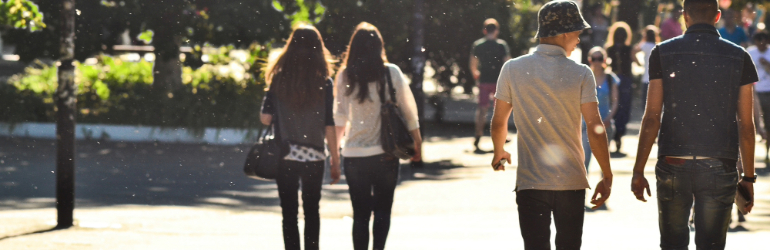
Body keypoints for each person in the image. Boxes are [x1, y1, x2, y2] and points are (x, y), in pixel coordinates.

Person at [631, 1, 758, 249]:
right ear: (718, 16)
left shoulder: (662, 53)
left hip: (673, 160)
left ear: (685, 16)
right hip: (719, 161)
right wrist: (748, 178)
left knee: (672, 243)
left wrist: (638, 170)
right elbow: (746, 125)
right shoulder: (739, 57)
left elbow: (651, 117)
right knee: (711, 244)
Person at [490, 1, 613, 249]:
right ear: (565, 33)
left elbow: (498, 121)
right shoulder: (581, 73)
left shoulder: (512, 68)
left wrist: (498, 151)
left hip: (530, 182)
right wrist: (606, 174)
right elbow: (595, 127)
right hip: (572, 182)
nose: (579, 38)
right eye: (577, 32)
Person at [334, 22, 422, 250]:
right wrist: (418, 144)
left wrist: (335, 155)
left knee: (360, 214)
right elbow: (409, 112)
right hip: (386, 153)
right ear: (379, 46)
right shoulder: (391, 73)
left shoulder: (345, 76)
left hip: (353, 155)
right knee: (383, 210)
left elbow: (339, 119)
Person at [260, 25, 341, 250]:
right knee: (312, 211)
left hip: (285, 155)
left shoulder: (278, 79)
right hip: (314, 156)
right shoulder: (324, 81)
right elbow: (328, 124)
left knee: (289, 213)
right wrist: (335, 159)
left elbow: (265, 118)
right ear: (318, 49)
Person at [470, 18, 511, 152]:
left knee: (482, 110)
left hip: (484, 81)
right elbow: (507, 62)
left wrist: (476, 74)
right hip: (498, 81)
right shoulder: (501, 45)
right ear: (497, 31)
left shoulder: (478, 45)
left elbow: (473, 63)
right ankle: (501, 136)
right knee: (499, 110)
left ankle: (478, 135)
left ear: (484, 30)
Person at [582, 47, 619, 172]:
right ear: (589, 60)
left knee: (604, 163)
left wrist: (609, 118)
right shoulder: (584, 77)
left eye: (600, 59)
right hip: (587, 125)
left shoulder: (610, 78)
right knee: (585, 160)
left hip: (605, 124)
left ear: (604, 60)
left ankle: (605, 187)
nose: (597, 62)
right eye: (594, 59)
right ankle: (583, 190)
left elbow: (615, 102)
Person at [605, 21, 637, 156]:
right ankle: (619, 135)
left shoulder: (609, 49)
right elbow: (637, 62)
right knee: (624, 108)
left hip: (612, 80)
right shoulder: (629, 49)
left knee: (613, 107)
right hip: (625, 81)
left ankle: (612, 136)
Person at [748, 31, 770, 162]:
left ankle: (767, 153)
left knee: (768, 124)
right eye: (758, 41)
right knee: (751, 125)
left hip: (768, 92)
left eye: (763, 41)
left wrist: (767, 65)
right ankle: (750, 156)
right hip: (754, 92)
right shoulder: (750, 52)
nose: (761, 44)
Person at [636, 25, 661, 109]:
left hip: (646, 78)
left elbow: (634, 51)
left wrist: (638, 63)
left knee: (645, 105)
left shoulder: (645, 45)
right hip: (656, 79)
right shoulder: (657, 46)